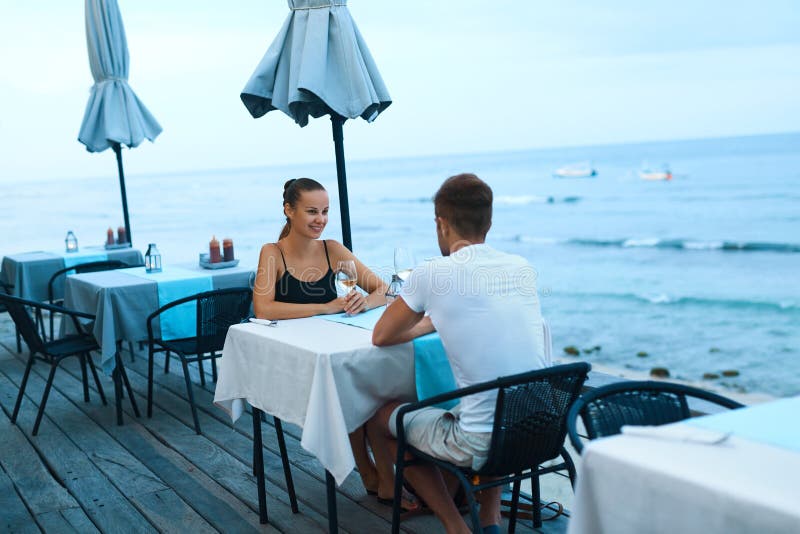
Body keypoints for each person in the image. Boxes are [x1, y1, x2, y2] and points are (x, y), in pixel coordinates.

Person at [367, 173, 548, 534]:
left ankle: (456, 527)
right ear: (490, 222)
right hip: (539, 428)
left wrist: (427, 323)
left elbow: (382, 335)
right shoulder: (522, 267)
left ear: (440, 223)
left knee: (381, 416)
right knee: (493, 401)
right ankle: (490, 520)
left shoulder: (433, 272)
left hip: (481, 441)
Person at [252, 177, 419, 510]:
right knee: (356, 384)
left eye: (325, 211)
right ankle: (376, 474)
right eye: (312, 211)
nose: (320, 219)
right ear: (289, 210)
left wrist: (362, 301)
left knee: (365, 383)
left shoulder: (333, 249)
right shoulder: (272, 253)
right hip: (296, 362)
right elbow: (263, 308)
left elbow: (384, 290)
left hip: (333, 349)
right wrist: (326, 306)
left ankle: (379, 475)